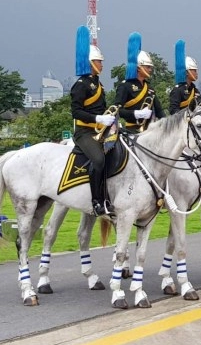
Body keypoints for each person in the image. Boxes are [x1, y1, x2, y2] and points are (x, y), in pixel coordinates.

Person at [70, 26, 116, 218]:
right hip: (84, 132)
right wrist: (98, 118)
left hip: (101, 130)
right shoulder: (80, 85)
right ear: (90, 63)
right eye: (99, 61)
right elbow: (76, 112)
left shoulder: (99, 84)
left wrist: (110, 118)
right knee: (98, 159)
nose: (102, 64)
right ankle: (96, 201)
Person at [115, 32, 165, 133]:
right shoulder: (125, 86)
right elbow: (118, 111)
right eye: (148, 67)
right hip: (132, 130)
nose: (150, 69)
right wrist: (137, 114)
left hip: (150, 130)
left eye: (150, 67)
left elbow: (159, 111)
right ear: (138, 68)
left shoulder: (150, 88)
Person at [169, 40, 201, 115]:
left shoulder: (195, 91)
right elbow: (173, 110)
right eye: (194, 70)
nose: (196, 73)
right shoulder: (178, 90)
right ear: (187, 72)